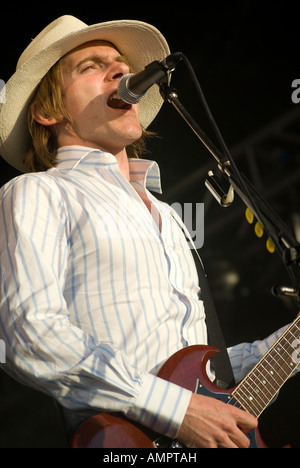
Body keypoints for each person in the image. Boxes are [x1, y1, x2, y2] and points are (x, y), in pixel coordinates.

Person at [0, 15, 294, 448]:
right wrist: (177, 411)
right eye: (92, 66)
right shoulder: (39, 192)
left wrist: (284, 348)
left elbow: (199, 370)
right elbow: (29, 334)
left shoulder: (164, 212)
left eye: (120, 62)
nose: (121, 71)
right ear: (48, 111)